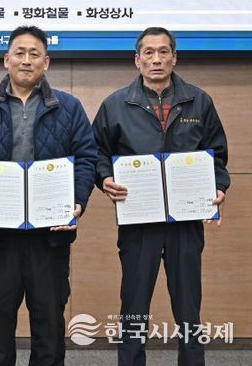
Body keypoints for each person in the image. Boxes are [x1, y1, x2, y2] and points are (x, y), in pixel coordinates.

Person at [0, 25, 97, 366]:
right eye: (19, 53)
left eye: (35, 54)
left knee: (49, 325)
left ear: (45, 62)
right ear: (6, 59)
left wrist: (77, 204)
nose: (26, 60)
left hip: (50, 236)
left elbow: (86, 158)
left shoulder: (69, 107)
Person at [92, 27, 229, 366]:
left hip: (185, 222)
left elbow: (216, 154)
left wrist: (219, 186)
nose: (156, 59)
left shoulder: (199, 101)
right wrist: (105, 178)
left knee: (188, 307)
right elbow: (96, 153)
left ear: (174, 58)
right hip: (139, 221)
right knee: (134, 307)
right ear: (137, 60)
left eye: (163, 52)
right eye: (149, 52)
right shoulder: (115, 104)